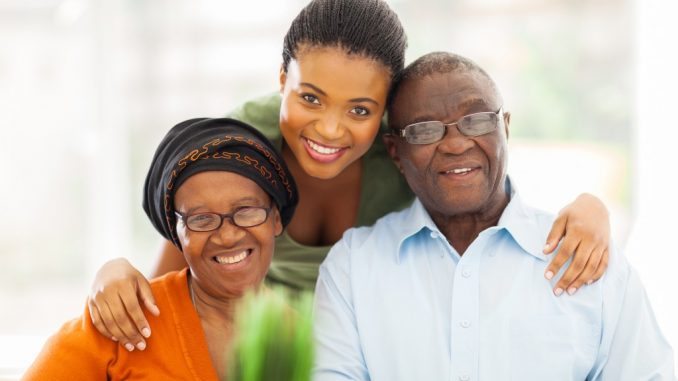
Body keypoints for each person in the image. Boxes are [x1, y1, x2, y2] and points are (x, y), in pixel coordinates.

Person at [87, 0, 612, 352]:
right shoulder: (241, 143)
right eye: (309, 98)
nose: (330, 129)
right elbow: (172, 282)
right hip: (255, 355)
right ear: (281, 81)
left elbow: (484, 195)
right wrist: (112, 272)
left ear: (386, 115)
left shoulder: (404, 152)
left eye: (360, 110)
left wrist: (591, 207)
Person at [313, 52, 676, 381]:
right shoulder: (353, 267)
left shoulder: (589, 258)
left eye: (476, 120)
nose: (456, 144)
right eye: (425, 130)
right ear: (395, 152)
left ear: (505, 126)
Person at [22, 118, 299, 380]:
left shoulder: (309, 339)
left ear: (275, 219)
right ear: (177, 235)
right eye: (201, 219)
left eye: (247, 210)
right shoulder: (123, 320)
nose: (227, 236)